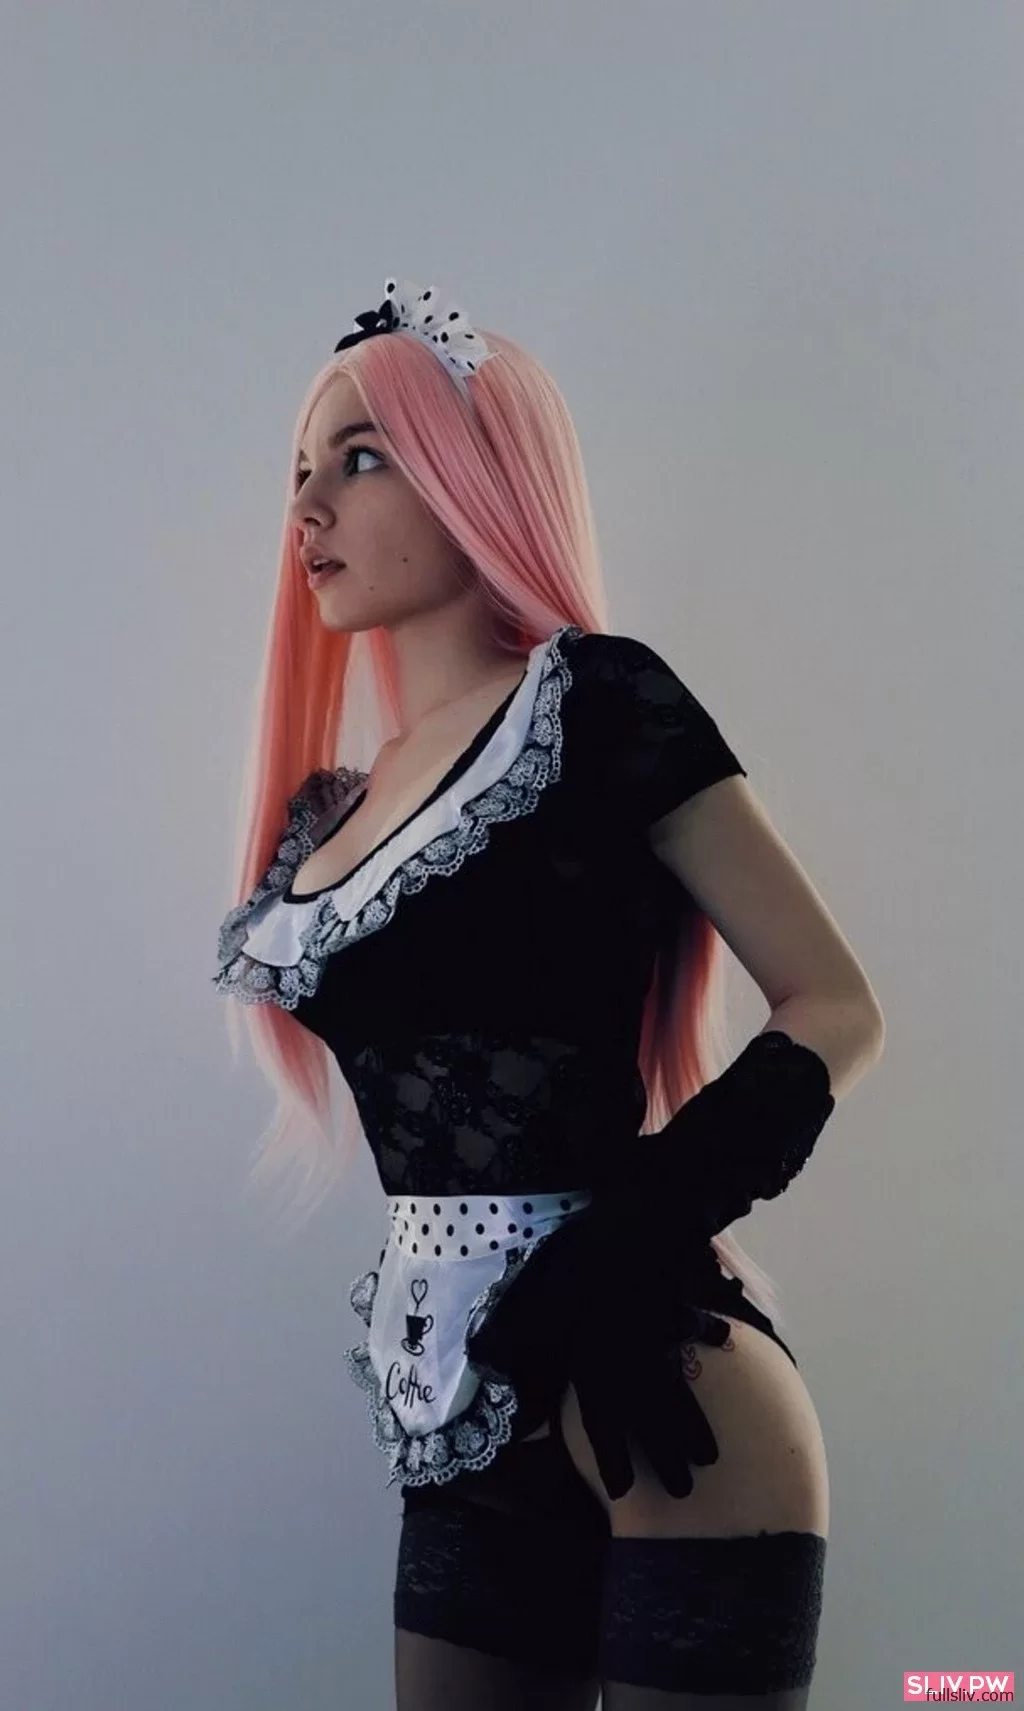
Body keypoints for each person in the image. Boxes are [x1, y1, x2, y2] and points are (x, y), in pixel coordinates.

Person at [213, 278, 885, 1709]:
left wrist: (636, 1228)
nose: (308, 508)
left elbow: (834, 1003)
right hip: (450, 1420)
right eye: (298, 472)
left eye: (361, 457)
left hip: (656, 1385)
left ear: (473, 475)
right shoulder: (335, 813)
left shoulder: (599, 704)